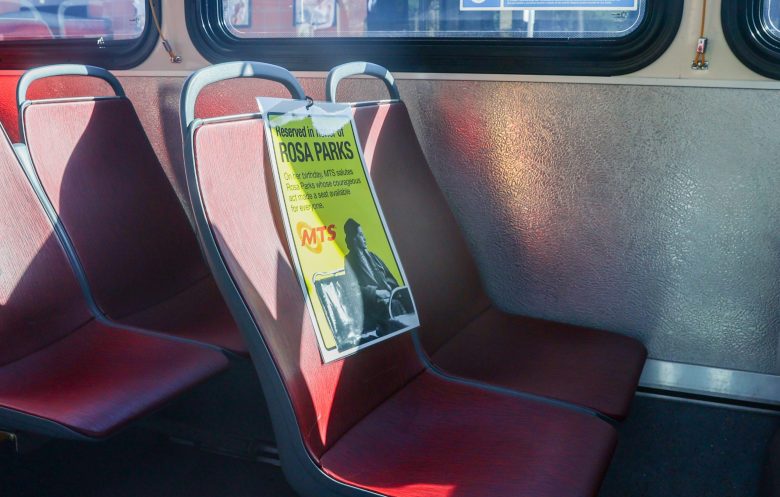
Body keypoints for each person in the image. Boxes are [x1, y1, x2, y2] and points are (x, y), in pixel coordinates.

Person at [343, 218, 407, 335]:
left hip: (390, 299)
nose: (364, 238)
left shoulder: (373, 256)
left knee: (404, 300)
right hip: (371, 308)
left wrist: (391, 289)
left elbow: (389, 277)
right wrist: (376, 292)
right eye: (361, 235)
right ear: (354, 239)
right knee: (395, 306)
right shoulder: (349, 261)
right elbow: (351, 289)